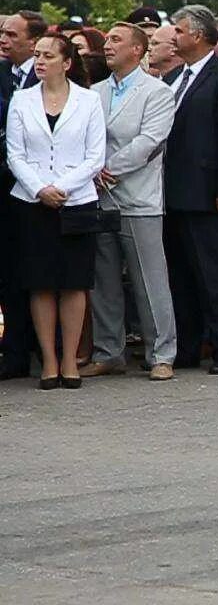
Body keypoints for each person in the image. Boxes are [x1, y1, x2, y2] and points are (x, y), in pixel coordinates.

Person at [6, 33, 104, 389]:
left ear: (67, 62)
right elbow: (15, 154)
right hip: (32, 201)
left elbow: (95, 156)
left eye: (48, 55)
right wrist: (39, 188)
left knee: (74, 282)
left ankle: (70, 360)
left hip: (75, 199)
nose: (40, 61)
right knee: (41, 282)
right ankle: (48, 360)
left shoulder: (88, 101)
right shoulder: (21, 100)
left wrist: (63, 186)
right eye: (37, 55)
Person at [82, 23, 178, 382]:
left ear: (137, 51)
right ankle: (109, 351)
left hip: (138, 197)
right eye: (106, 39)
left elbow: (150, 141)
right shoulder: (96, 91)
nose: (107, 45)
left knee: (150, 279)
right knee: (103, 279)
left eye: (116, 40)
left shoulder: (156, 92)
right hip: (98, 196)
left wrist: (108, 168)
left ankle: (162, 353)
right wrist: (91, 171)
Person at [163, 5, 218, 375]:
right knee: (181, 276)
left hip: (208, 194)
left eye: (179, 31)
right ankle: (188, 345)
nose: (173, 37)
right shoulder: (172, 78)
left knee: (216, 274)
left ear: (198, 36)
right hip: (171, 193)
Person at [0, 10, 47, 380]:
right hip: (6, 189)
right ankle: (14, 350)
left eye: (12, 34)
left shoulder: (47, 76)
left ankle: (36, 348)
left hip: (40, 190)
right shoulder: (3, 74)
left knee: (32, 272)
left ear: (33, 41)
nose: (4, 39)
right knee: (8, 274)